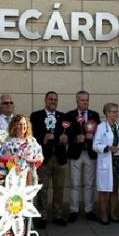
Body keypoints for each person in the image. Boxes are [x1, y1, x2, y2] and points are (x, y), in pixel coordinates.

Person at [30, 91, 69, 228]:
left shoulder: (63, 117)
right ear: (45, 100)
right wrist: (43, 139)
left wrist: (66, 138)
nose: (53, 101)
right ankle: (42, 216)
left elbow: (69, 133)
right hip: (43, 158)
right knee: (43, 188)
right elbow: (31, 135)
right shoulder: (36, 116)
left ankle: (58, 215)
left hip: (60, 157)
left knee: (59, 188)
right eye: (50, 99)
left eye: (55, 99)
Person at [65, 90, 100, 223]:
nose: (85, 102)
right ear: (77, 101)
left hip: (90, 153)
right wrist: (75, 138)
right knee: (74, 184)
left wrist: (93, 137)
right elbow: (65, 134)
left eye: (87, 100)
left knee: (89, 183)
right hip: (76, 154)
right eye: (82, 100)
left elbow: (100, 133)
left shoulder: (94, 115)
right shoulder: (70, 115)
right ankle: (74, 210)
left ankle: (89, 210)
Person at [93, 103, 119, 225]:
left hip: (118, 161)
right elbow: (95, 145)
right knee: (104, 189)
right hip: (107, 161)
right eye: (113, 111)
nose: (116, 114)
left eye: (117, 111)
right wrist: (107, 148)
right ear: (107, 113)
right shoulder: (101, 127)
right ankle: (103, 215)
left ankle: (113, 214)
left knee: (115, 189)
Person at [2, 114, 44, 185]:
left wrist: (32, 160)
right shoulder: (9, 141)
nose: (23, 126)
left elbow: (40, 156)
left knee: (29, 195)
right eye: (19, 124)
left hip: (30, 176)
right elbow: (5, 157)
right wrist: (15, 160)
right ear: (14, 126)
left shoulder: (32, 140)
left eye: (24, 124)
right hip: (15, 176)